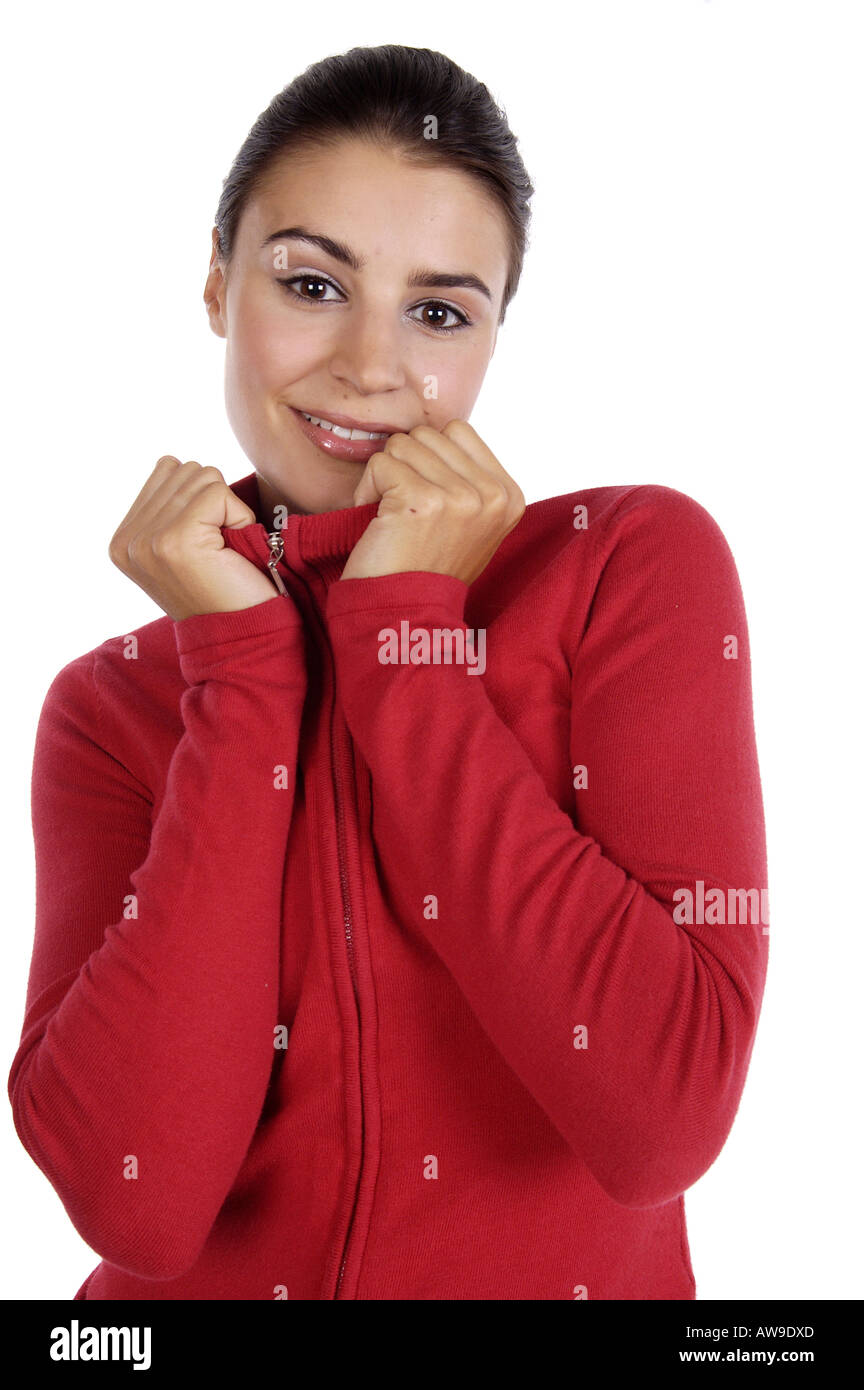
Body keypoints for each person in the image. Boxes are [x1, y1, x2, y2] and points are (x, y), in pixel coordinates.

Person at [7, 44, 769, 1301]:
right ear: (215, 280)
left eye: (437, 311)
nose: (370, 366)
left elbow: (659, 1124)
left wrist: (406, 649)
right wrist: (243, 674)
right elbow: (134, 1199)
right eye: (312, 282)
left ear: (492, 336)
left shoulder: (626, 567)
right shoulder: (113, 706)